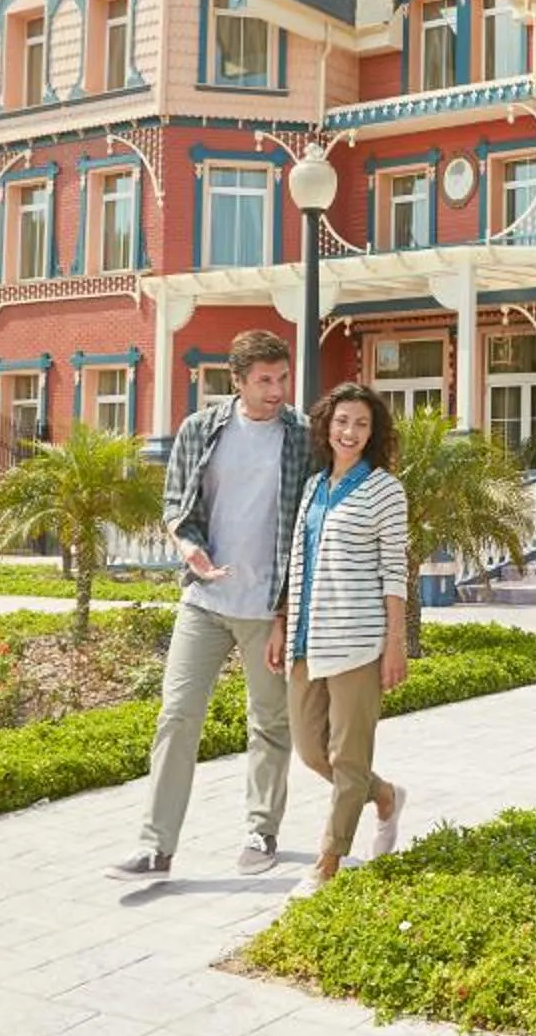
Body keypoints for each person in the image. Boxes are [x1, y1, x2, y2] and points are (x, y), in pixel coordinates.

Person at [110, 328, 316, 882]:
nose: (277, 390)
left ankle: (261, 828)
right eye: (265, 381)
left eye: (282, 378)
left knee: (269, 722)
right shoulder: (201, 430)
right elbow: (176, 505)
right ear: (239, 380)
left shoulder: (302, 436)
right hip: (204, 600)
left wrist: (285, 613)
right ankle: (156, 847)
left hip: (265, 604)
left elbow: (309, 527)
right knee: (176, 716)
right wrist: (190, 547)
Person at [270, 382, 410, 897]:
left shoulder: (385, 490)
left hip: (358, 640)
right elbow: (296, 562)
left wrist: (395, 644)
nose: (350, 432)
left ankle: (328, 861)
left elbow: (394, 571)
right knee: (311, 751)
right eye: (342, 421)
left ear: (373, 434)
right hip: (307, 639)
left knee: (348, 757)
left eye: (362, 424)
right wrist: (283, 624)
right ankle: (386, 795)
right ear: (327, 425)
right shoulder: (312, 488)